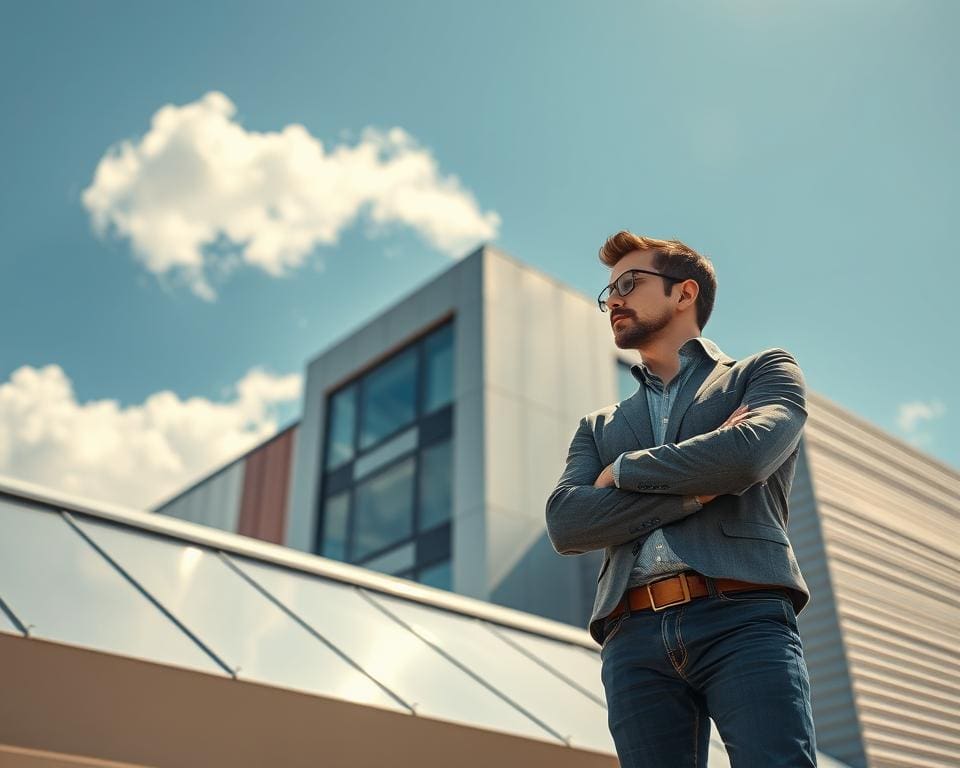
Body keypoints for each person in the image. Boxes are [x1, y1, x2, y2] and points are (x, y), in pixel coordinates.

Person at [545, 231, 817, 767]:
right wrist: (698, 491)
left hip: (743, 614)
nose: (614, 300)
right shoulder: (598, 426)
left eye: (629, 283)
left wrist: (621, 470)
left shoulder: (763, 373)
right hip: (631, 635)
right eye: (608, 293)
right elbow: (567, 524)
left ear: (684, 293)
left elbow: (746, 457)